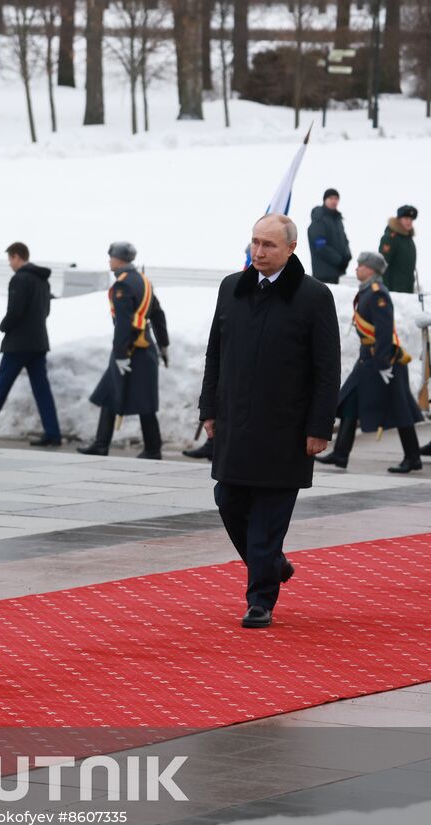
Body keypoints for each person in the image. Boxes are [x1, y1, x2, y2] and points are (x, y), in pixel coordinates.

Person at [199, 214, 339, 629]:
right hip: (236, 423)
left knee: (267, 519)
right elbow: (215, 354)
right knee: (228, 500)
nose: (258, 252)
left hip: (286, 430)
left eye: (269, 245)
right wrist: (209, 408)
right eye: (255, 243)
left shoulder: (313, 296)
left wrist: (319, 427)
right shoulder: (232, 288)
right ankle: (271, 563)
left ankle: (260, 599)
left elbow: (327, 368)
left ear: (291, 249)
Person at [316, 251, 424, 473]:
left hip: (384, 361)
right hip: (367, 360)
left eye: (360, 265)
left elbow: (384, 332)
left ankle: (413, 458)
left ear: (371, 269)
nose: (356, 268)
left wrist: (384, 364)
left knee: (400, 409)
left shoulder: (377, 294)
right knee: (349, 402)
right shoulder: (366, 291)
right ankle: (340, 454)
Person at [0, 242, 61, 446]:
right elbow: (46, 311)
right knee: (42, 389)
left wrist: (3, 326)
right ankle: (53, 432)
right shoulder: (43, 281)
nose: (9, 264)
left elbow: (15, 311)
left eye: (10, 259)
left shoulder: (20, 279)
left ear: (17, 257)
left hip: (18, 344)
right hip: (39, 342)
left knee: (1, 385)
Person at [77, 241, 169, 458]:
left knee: (143, 399)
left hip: (131, 350)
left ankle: (153, 449)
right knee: (111, 392)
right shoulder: (144, 281)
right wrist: (163, 345)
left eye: (111, 256)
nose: (109, 260)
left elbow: (123, 323)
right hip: (145, 347)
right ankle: (101, 444)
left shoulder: (123, 285)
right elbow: (158, 314)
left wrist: (119, 355)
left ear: (119, 259)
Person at [307, 188, 352, 286]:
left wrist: (347, 256)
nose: (334, 201)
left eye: (336, 198)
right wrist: (339, 261)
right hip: (323, 274)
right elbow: (320, 246)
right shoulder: (319, 219)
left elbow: (344, 240)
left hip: (335, 272)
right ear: (325, 200)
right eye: (331, 198)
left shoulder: (337, 220)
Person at [379, 205, 418, 294]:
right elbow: (382, 265)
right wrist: (385, 290)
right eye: (406, 218)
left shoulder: (408, 239)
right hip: (392, 291)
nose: (409, 222)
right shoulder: (390, 238)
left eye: (411, 220)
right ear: (399, 219)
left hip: (407, 290)